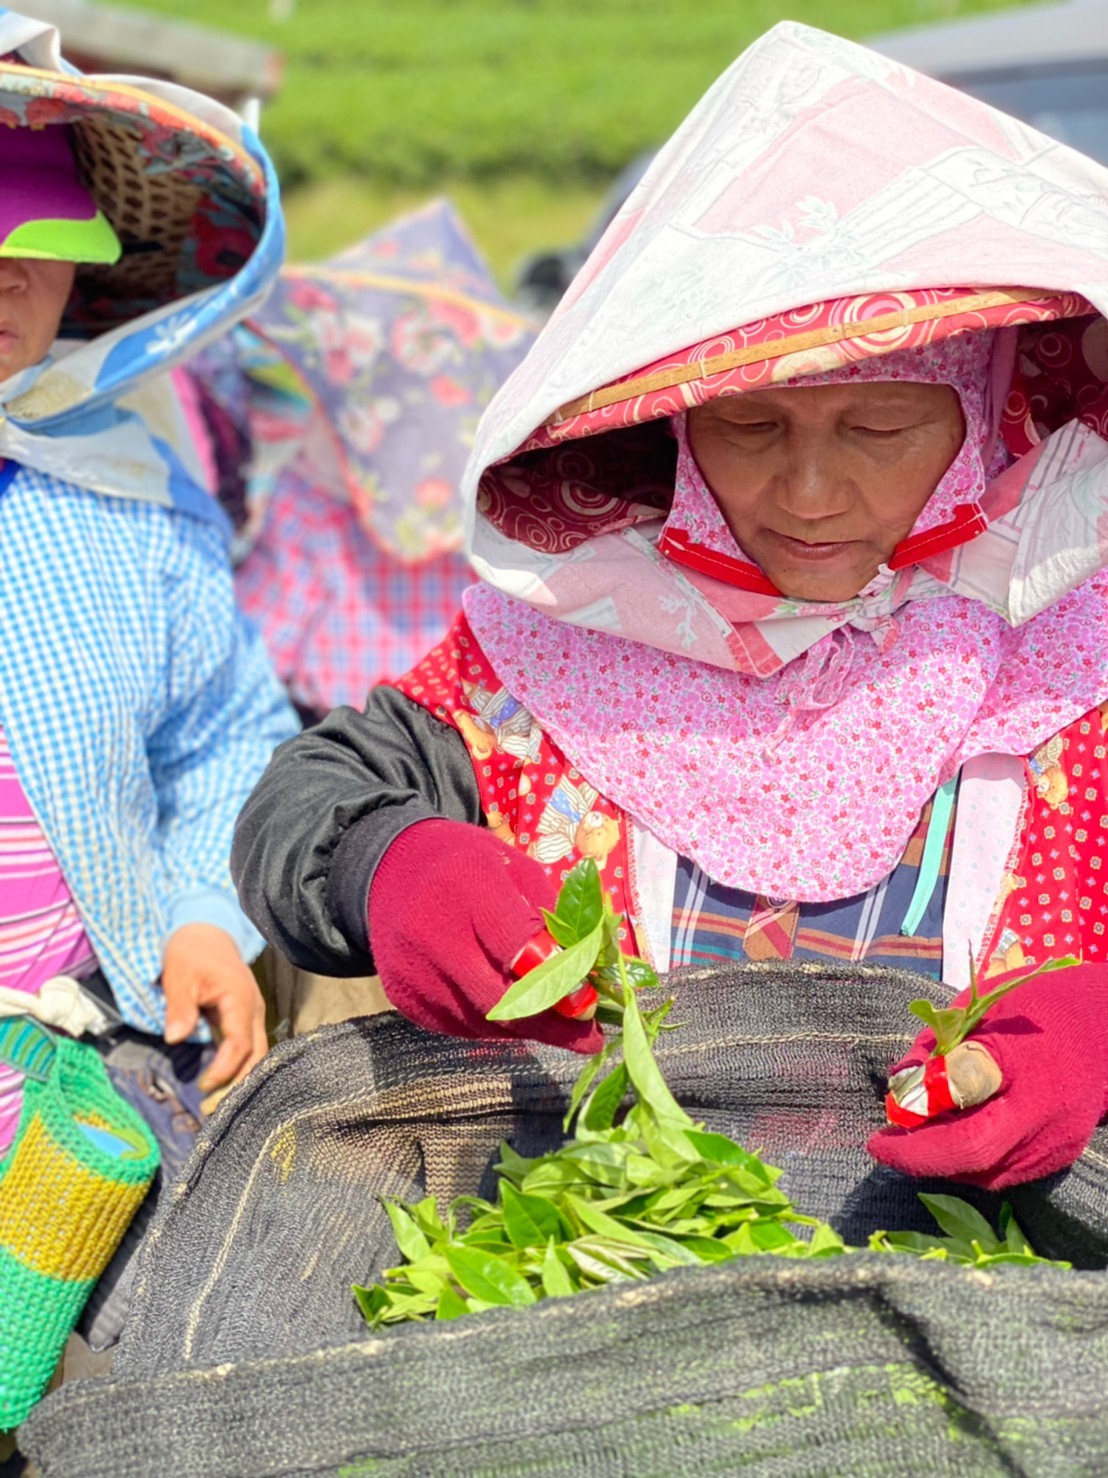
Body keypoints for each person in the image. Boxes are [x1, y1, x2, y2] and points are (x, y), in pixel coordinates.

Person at [233, 22, 1108, 1193]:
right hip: (623, 1248)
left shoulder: (1071, 647)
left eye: (878, 428)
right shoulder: (583, 636)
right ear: (678, 429)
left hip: (987, 1258)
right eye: (749, 428)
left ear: (980, 418)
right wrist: (387, 863)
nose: (808, 493)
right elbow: (309, 800)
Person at [0, 15, 297, 1165]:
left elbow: (223, 735)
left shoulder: (129, 498)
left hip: (67, 1092)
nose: (9, 271)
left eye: (41, 237)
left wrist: (202, 919)